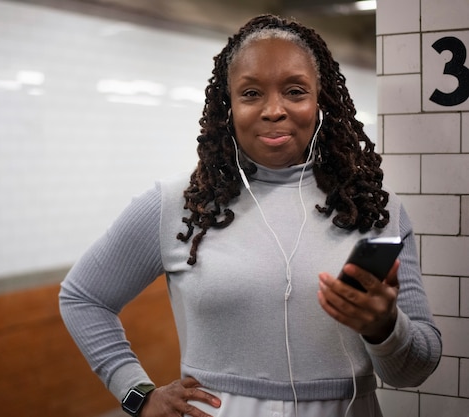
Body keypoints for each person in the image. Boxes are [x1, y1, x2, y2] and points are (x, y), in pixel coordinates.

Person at [59, 14, 442, 417]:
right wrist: (136, 393)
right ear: (229, 108)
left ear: (321, 102)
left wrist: (384, 327)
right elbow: (83, 297)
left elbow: (415, 369)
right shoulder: (179, 204)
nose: (274, 110)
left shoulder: (372, 207)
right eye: (251, 93)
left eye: (295, 91)